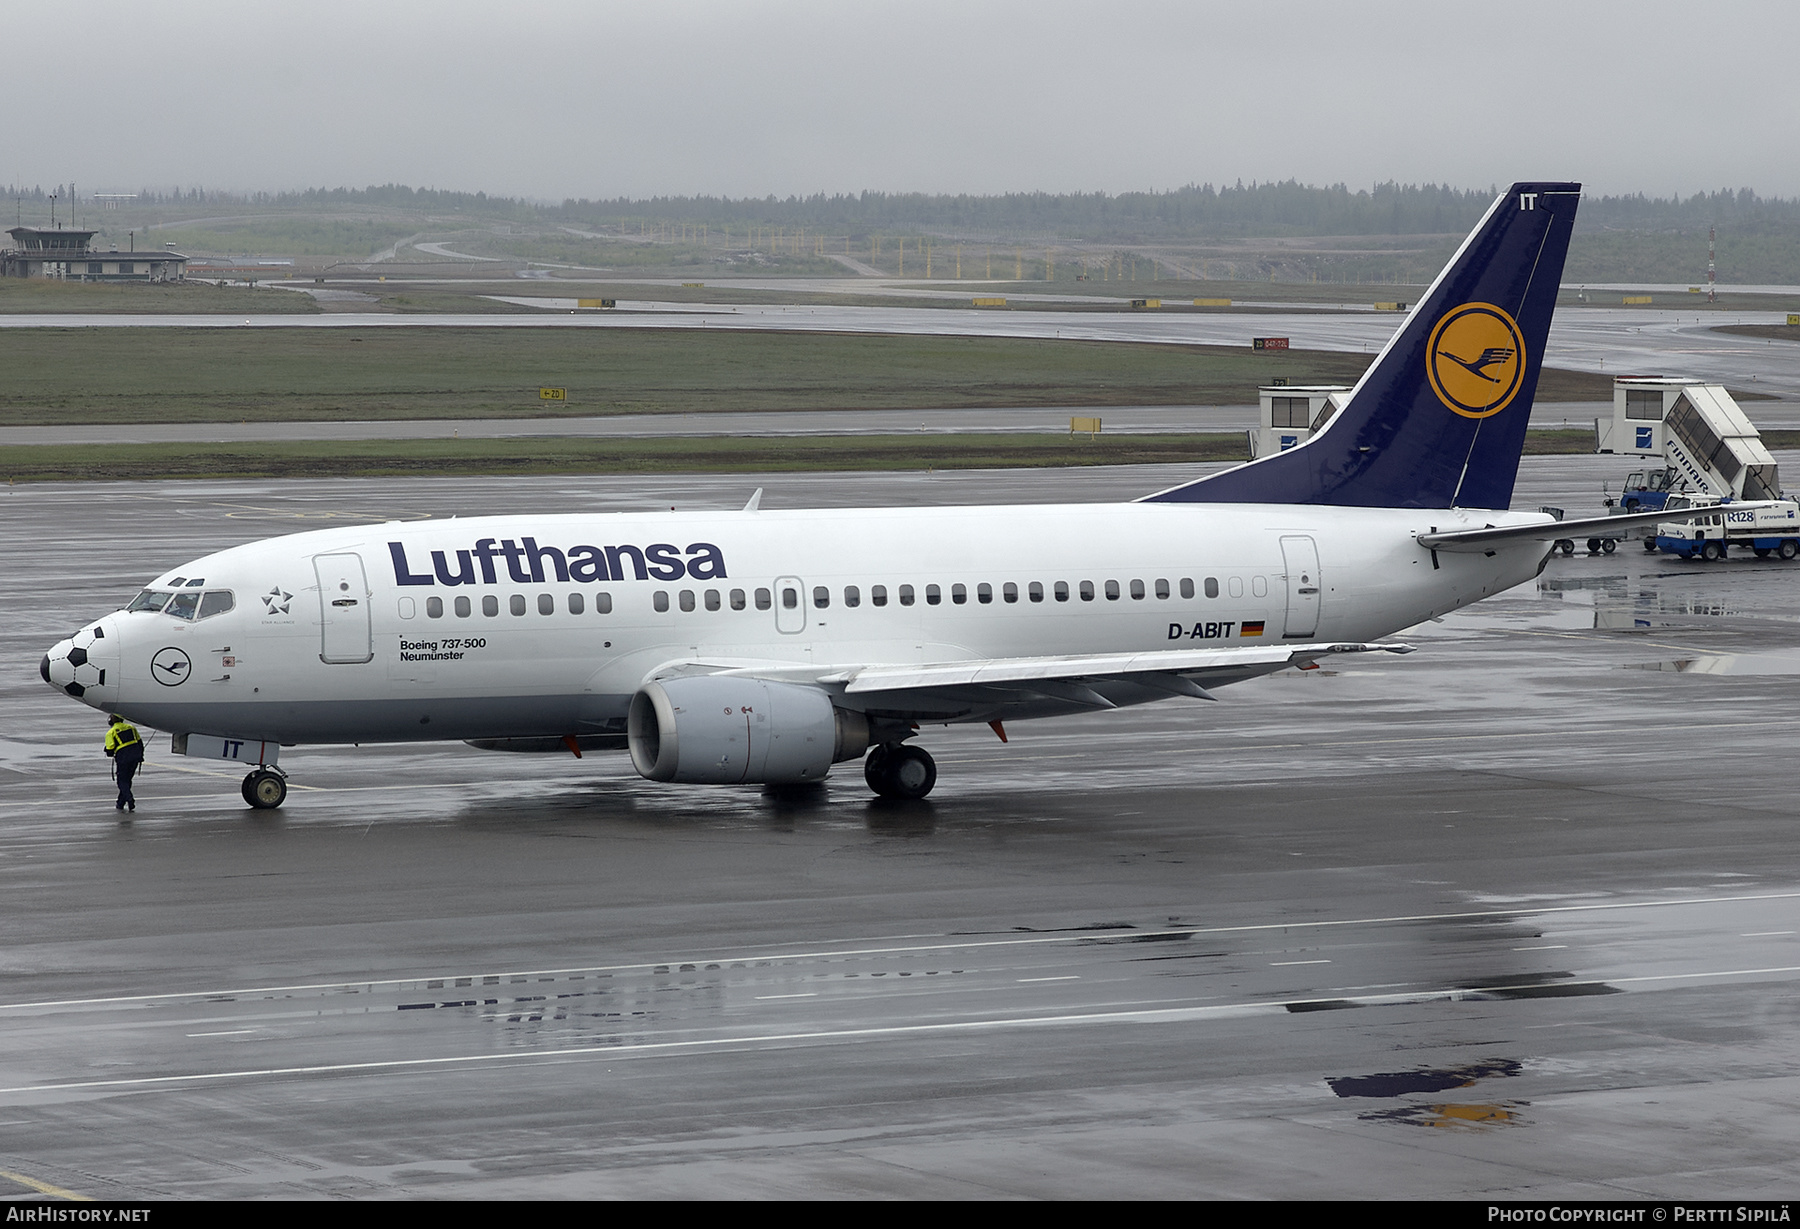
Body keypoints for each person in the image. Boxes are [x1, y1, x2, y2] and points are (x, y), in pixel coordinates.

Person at [104, 714, 144, 812]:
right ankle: (120, 803)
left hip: (123, 758)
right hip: (135, 756)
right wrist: (140, 756)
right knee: (127, 780)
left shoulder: (111, 732)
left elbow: (109, 751)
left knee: (121, 781)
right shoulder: (131, 727)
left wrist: (107, 750)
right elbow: (139, 742)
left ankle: (130, 799)